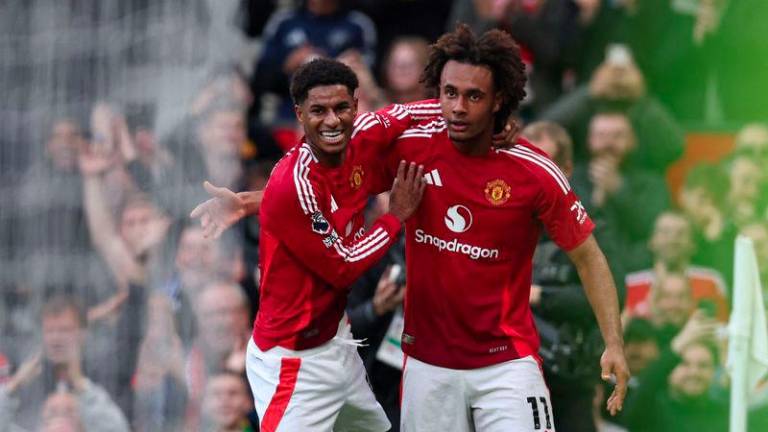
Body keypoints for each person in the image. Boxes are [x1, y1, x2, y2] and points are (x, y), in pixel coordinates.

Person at [193, 26, 629, 431]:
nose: (458, 107)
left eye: (474, 97)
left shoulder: (533, 169)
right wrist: (254, 201)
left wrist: (614, 341)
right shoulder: (410, 148)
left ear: (498, 101)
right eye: (449, 93)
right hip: (424, 362)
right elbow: (318, 190)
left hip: (507, 362)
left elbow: (587, 254)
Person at [218, 58, 426, 431]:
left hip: (336, 341)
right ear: (299, 114)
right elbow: (342, 265)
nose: (332, 120)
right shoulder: (294, 181)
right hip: (294, 363)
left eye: (341, 108)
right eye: (318, 110)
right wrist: (396, 215)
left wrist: (495, 120)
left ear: (356, 106)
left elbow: (412, 112)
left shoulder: (363, 133)